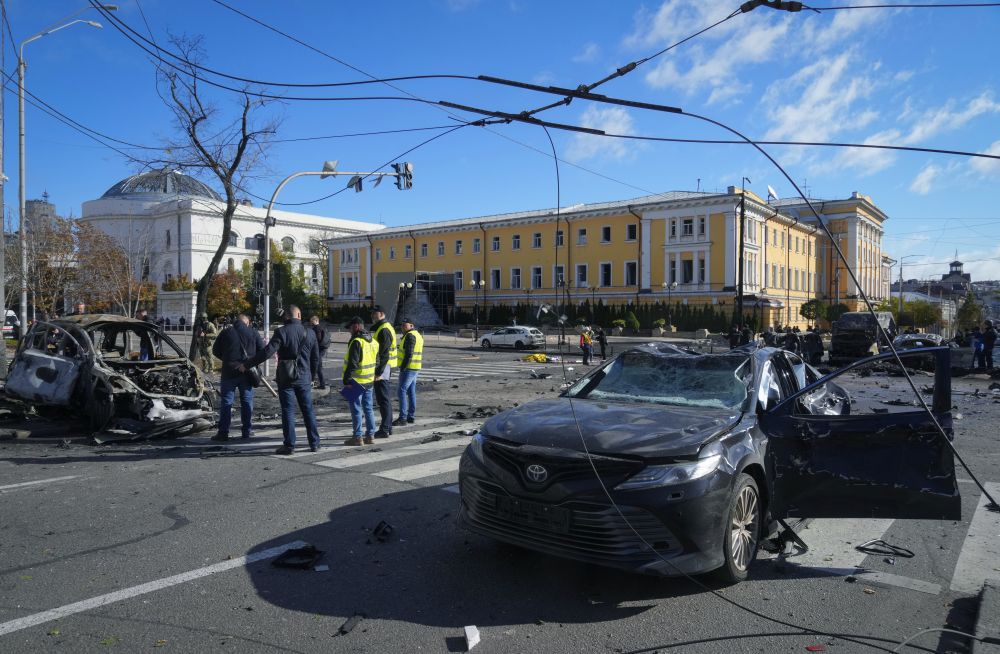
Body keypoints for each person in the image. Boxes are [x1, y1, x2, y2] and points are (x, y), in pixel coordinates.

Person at [245, 305, 322, 454]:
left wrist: (248, 364)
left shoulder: (281, 332)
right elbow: (315, 359)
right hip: (304, 377)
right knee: (308, 410)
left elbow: (267, 352)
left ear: (286, 317)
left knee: (288, 411)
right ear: (299, 315)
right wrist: (312, 377)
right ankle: (314, 443)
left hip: (286, 377)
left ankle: (289, 445)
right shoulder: (310, 332)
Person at [211, 313, 265, 441]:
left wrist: (227, 359)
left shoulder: (226, 332)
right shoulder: (253, 332)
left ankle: (223, 432)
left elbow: (215, 351)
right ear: (247, 322)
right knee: (247, 401)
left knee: (226, 402)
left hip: (229, 372)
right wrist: (250, 363)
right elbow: (262, 351)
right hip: (247, 373)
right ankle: (247, 431)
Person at [342, 316, 377, 446]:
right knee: (368, 409)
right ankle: (370, 436)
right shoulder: (372, 341)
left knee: (357, 409)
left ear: (356, 326)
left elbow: (352, 363)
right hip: (369, 380)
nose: (349, 331)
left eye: (350, 328)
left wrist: (347, 379)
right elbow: (377, 360)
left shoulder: (357, 341)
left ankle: (358, 437)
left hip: (357, 381)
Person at [369, 305, 397, 439]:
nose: (372, 315)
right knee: (384, 398)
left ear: (381, 314)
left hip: (383, 367)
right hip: (385, 366)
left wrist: (378, 373)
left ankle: (385, 429)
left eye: (374, 313)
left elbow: (384, 354)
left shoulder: (384, 329)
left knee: (383, 399)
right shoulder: (384, 327)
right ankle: (388, 427)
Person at [393, 318, 423, 426]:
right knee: (411, 391)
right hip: (415, 367)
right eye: (402, 325)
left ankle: (403, 418)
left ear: (412, 325)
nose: (403, 327)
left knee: (401, 391)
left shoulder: (410, 336)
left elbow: (409, 353)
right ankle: (411, 416)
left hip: (409, 368)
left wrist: (403, 367)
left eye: (406, 325)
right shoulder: (417, 335)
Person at [309, 315, 329, 389]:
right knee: (318, 367)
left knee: (317, 367)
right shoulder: (321, 327)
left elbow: (318, 339)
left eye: (312, 321)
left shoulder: (316, 328)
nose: (311, 322)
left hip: (319, 350)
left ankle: (319, 383)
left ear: (316, 320)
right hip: (322, 349)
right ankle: (320, 383)